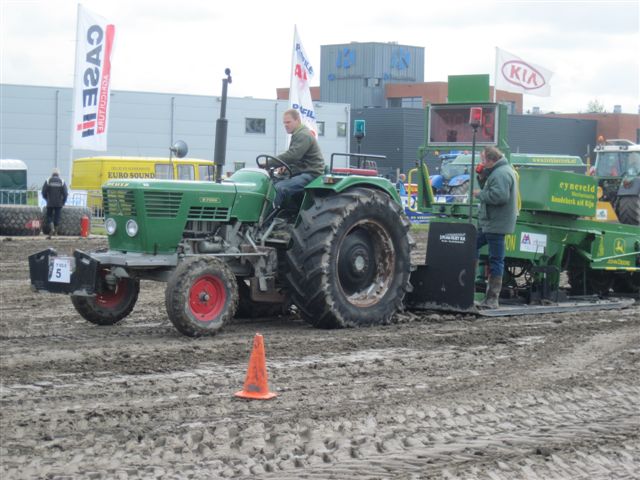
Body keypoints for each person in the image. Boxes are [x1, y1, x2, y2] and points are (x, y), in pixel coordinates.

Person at [474, 146, 518, 309]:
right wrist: (481, 176)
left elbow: (499, 196)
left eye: (483, 159)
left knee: (496, 259)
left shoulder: (501, 173)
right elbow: (493, 188)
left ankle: (492, 299)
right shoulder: (500, 171)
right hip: (492, 223)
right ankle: (489, 297)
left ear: (491, 160)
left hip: (495, 224)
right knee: (476, 248)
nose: (482, 162)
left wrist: (480, 194)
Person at [269, 109, 325, 212]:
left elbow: (293, 156)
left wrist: (269, 162)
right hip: (301, 171)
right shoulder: (298, 134)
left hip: (311, 174)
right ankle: (288, 212)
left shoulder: (303, 135)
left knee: (279, 188)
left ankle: (269, 219)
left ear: (297, 120)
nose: (286, 125)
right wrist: (285, 167)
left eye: (288, 122)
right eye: (284, 123)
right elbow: (297, 159)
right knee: (270, 183)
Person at [41, 168, 68, 238]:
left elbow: (43, 192)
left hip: (50, 202)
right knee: (57, 217)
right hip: (59, 203)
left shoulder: (48, 180)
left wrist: (46, 199)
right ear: (59, 174)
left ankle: (51, 228)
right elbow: (65, 193)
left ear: (52, 174)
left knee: (49, 216)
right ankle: (56, 232)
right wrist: (63, 202)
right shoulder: (62, 181)